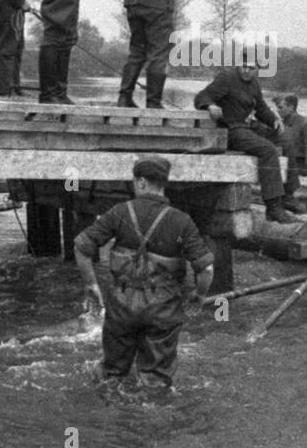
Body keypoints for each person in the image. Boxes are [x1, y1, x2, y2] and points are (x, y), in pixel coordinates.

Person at [73, 157, 214, 389]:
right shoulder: (182, 221)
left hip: (121, 305)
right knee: (156, 381)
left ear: (140, 182)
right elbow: (206, 268)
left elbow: (81, 246)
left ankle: (107, 418)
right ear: (163, 183)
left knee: (111, 376)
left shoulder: (119, 212)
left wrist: (91, 285)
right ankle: (151, 418)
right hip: (163, 307)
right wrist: (198, 296)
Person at [194, 56, 295, 223]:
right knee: (268, 150)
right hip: (229, 129)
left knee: (284, 144)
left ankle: (288, 196)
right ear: (238, 65)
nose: (247, 71)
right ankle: (273, 207)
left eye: (251, 68)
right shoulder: (227, 78)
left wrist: (274, 119)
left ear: (257, 69)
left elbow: (260, 107)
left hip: (245, 126)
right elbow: (202, 96)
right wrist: (210, 106)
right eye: (244, 66)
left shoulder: (254, 84)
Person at [275, 94, 307, 212]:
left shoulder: (306, 124)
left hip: (300, 166)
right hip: (286, 164)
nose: (277, 111)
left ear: (291, 107)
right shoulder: (280, 124)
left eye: (281, 107)